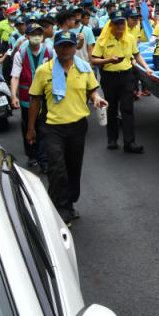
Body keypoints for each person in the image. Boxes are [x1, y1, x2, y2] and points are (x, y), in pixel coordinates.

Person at [26, 30, 108, 226]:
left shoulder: (84, 68)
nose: (65, 50)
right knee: (57, 169)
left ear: (75, 48)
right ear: (55, 48)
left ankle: (69, 203)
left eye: (69, 46)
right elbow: (35, 100)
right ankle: (59, 209)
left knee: (73, 168)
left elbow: (92, 90)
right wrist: (31, 128)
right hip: (52, 127)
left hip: (78, 126)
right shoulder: (44, 71)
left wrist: (96, 98)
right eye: (61, 46)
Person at [90, 11, 153, 153]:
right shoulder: (103, 40)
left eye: (121, 23)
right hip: (109, 76)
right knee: (111, 108)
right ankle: (112, 139)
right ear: (111, 24)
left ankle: (130, 143)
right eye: (116, 23)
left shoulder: (130, 38)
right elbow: (93, 60)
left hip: (126, 76)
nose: (119, 26)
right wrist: (109, 60)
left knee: (127, 109)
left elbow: (136, 55)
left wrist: (147, 68)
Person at [11, 22, 55, 169]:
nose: (36, 37)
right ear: (27, 36)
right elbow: (15, 76)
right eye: (33, 34)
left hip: (46, 96)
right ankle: (31, 154)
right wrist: (13, 96)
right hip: (26, 97)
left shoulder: (50, 52)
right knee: (28, 125)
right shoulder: (21, 54)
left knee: (43, 126)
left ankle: (43, 158)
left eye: (39, 34)